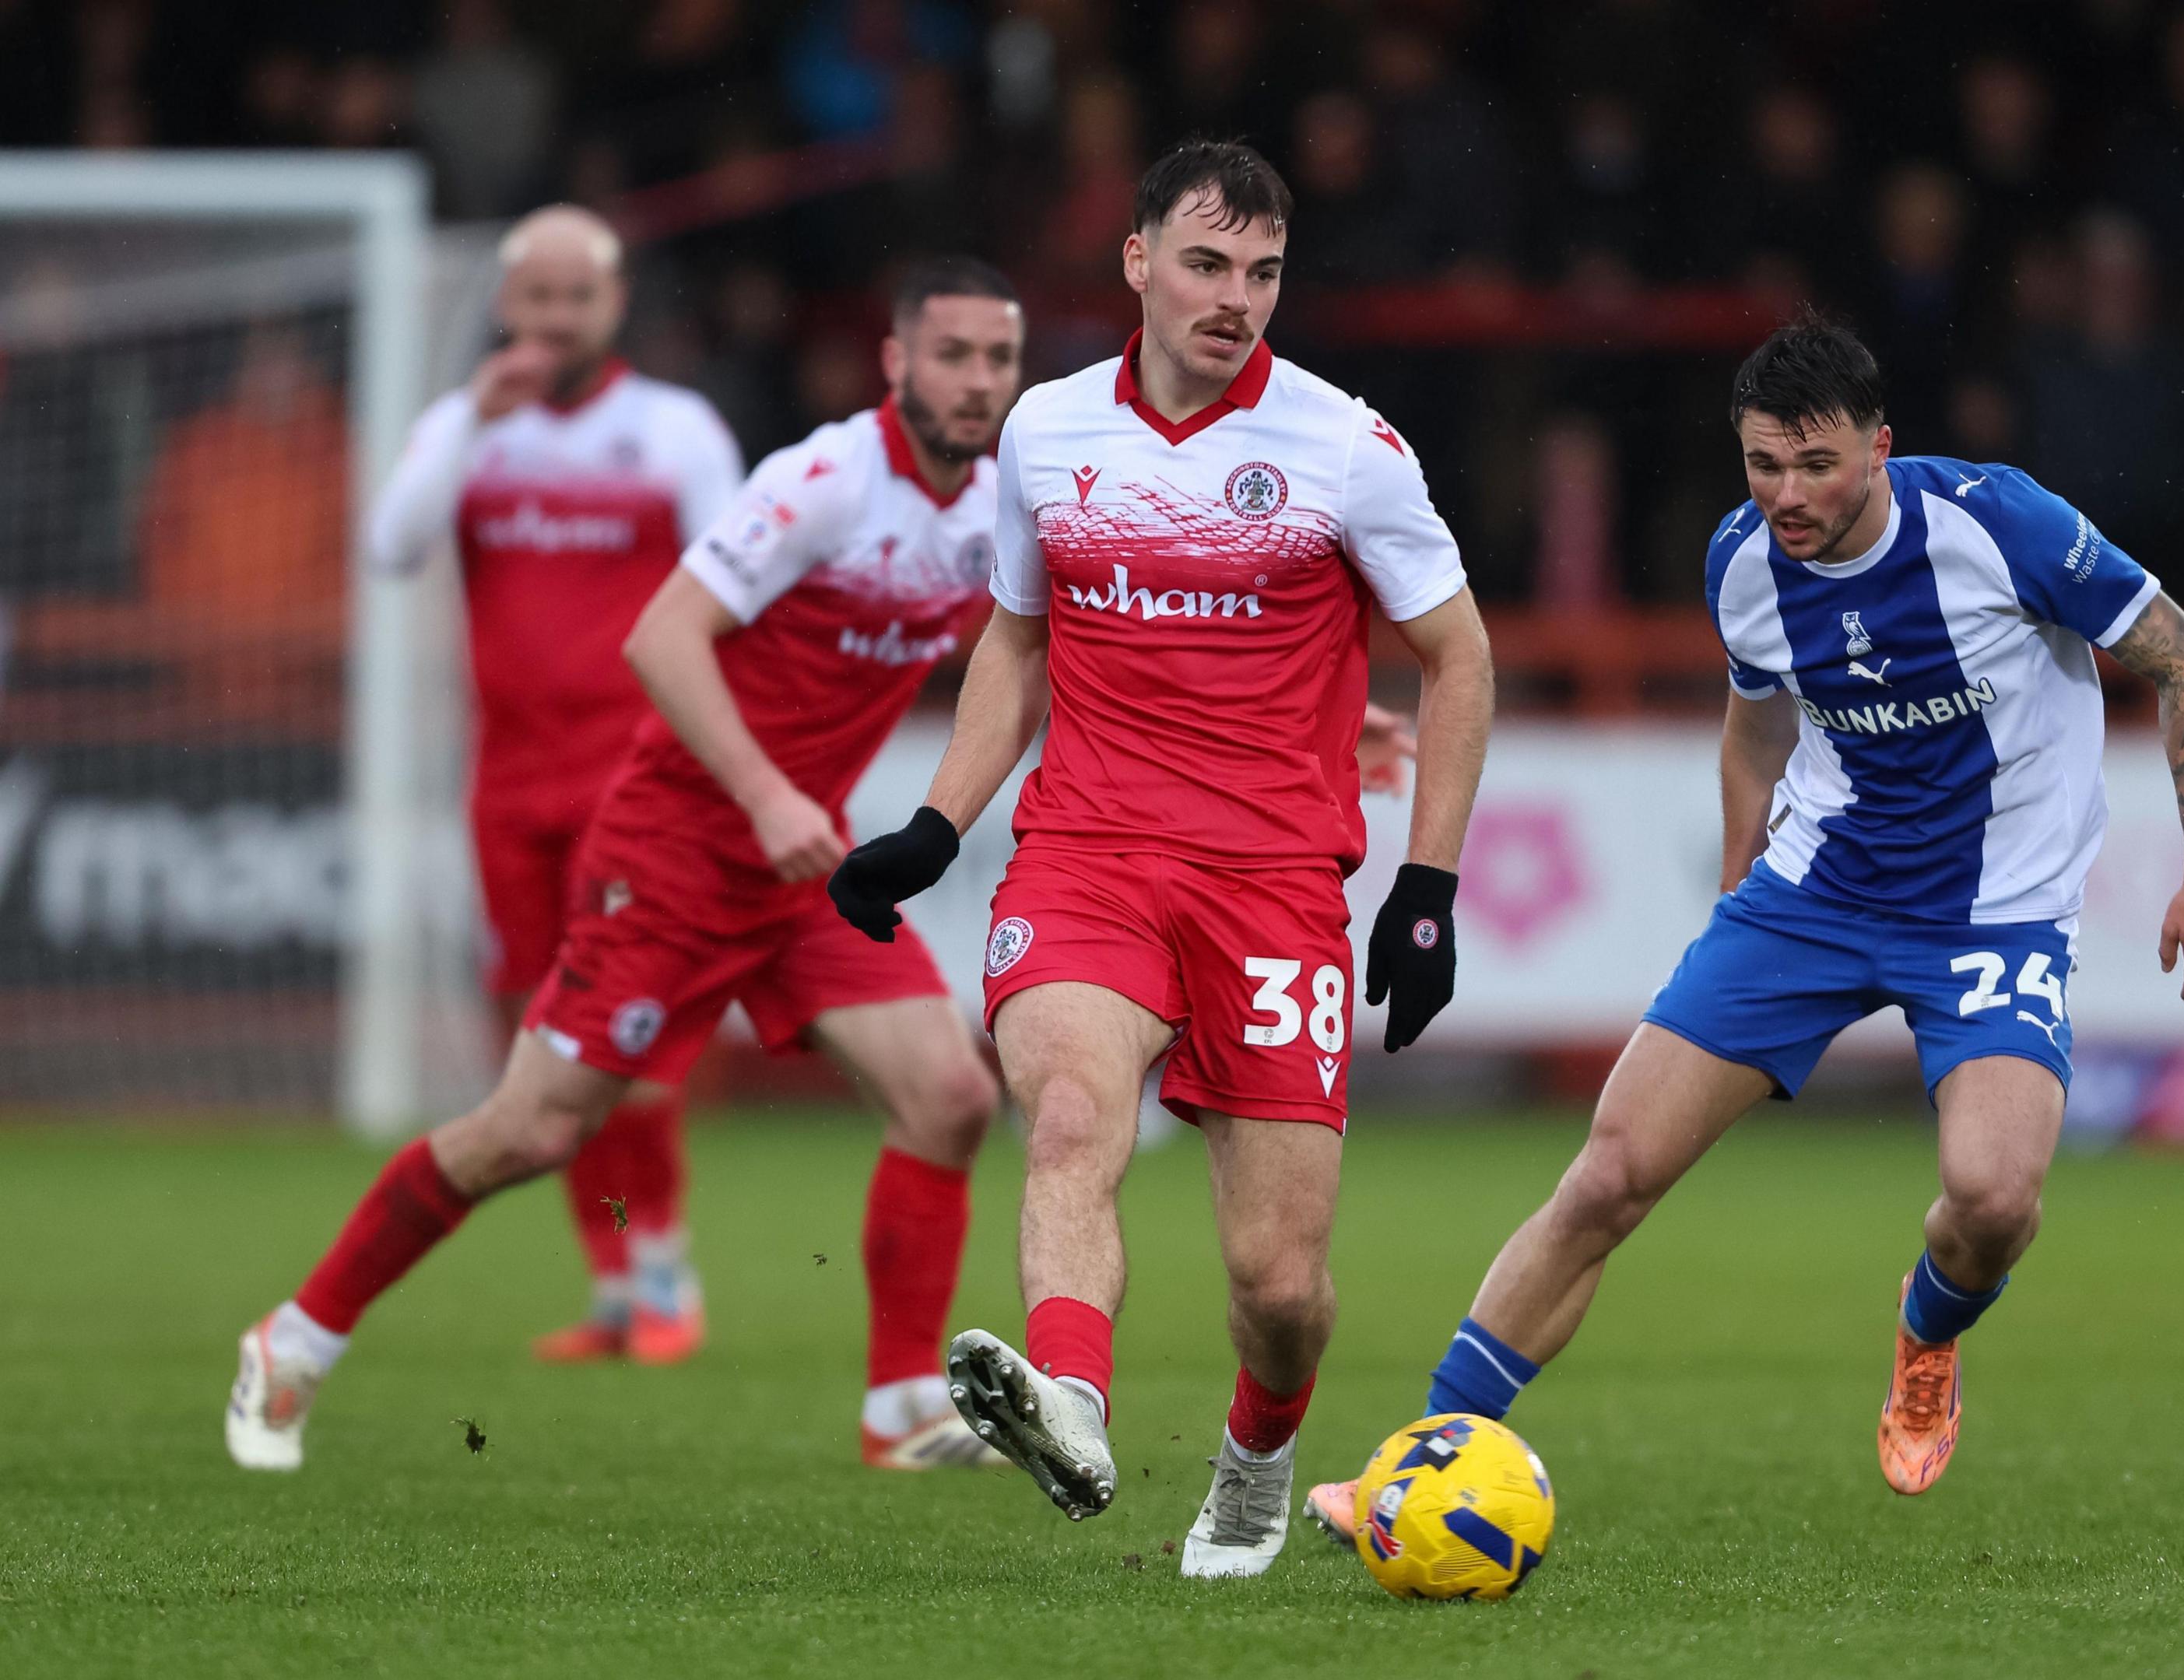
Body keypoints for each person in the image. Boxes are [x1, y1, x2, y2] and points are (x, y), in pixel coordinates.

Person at [1304, 313, 2184, 1538]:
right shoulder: (1741, 563)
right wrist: (1744, 887)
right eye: (1763, 464)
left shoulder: (1998, 522)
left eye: (1817, 464)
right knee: (1608, 1174)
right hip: (1814, 900)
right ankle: (1414, 1465)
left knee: (1995, 1200)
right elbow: (1756, 727)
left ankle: (1927, 1329)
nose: (1788, 495)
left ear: (1880, 447)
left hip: (1994, 916)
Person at [227, 258, 1031, 1473]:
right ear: (897, 361)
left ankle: (900, 1405)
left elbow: (1092, 635)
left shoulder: (996, 508)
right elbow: (662, 637)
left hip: (796, 865)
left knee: (952, 1094)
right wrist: (763, 794)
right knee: (530, 1131)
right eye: (954, 355)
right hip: (676, 852)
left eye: (999, 360)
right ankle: (294, 1338)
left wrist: (1350, 724)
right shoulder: (825, 481)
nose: (977, 383)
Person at [827, 140, 1497, 1576]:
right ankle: (1070, 1401)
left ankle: (1259, 1454)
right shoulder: (1049, 433)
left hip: (1273, 888)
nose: (1235, 298)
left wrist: (1426, 888)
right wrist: (938, 825)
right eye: (1205, 264)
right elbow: (1017, 638)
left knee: (1280, 1283)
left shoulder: (1346, 448)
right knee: (1071, 1118)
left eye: (1262, 273)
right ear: (1137, 262)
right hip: (1090, 852)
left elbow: (1459, 657)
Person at [363, 205, 741, 1366]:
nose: (555, 321)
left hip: (634, 787)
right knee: (543, 1047)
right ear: (504, 307)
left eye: (578, 300)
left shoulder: (673, 431)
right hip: (508, 784)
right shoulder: (466, 430)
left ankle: (668, 1270)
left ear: (613, 308)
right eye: (537, 299)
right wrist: (471, 420)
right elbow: (390, 544)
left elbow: (740, 590)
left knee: (617, 1040)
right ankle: (617, 1283)